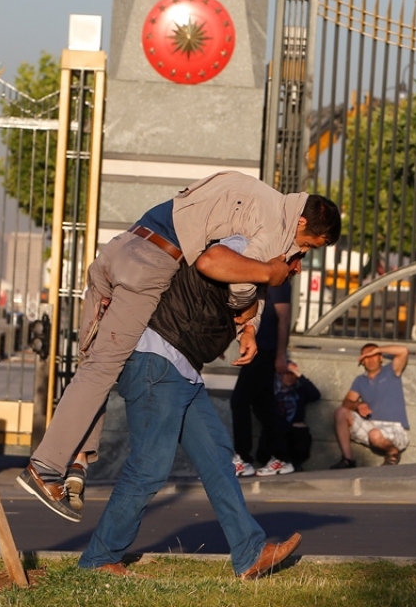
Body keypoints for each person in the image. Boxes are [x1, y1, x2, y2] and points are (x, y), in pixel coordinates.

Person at [18, 171, 341, 522]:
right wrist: (261, 290)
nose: (301, 251)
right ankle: (45, 467)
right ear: (302, 221)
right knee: (102, 369)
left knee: (92, 364)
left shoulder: (255, 190)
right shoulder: (276, 226)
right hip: (151, 263)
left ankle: (77, 459)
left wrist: (251, 317)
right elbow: (229, 276)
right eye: (308, 244)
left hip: (120, 247)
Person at [78, 241, 301, 579]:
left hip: (183, 369)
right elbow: (213, 261)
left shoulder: (255, 258)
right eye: (300, 257)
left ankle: (250, 553)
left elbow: (237, 303)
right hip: (158, 360)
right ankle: (99, 558)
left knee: (216, 458)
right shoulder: (244, 242)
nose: (296, 269)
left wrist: (249, 328)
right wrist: (268, 274)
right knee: (149, 467)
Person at [230, 280, 291, 477]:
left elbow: (284, 318)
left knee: (239, 402)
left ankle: (244, 458)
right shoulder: (257, 279)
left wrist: (280, 355)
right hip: (258, 349)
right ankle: (280, 456)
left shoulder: (278, 283)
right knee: (264, 407)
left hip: (266, 351)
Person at [331, 343, 410, 468]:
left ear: (381, 358)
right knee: (340, 413)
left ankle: (392, 452)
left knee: (375, 434)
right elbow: (346, 403)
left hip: (394, 428)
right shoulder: (360, 380)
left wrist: (377, 350)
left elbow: (403, 351)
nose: (370, 358)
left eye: (373, 355)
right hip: (370, 426)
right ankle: (348, 460)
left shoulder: (391, 370)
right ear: (362, 361)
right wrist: (357, 405)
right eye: (366, 356)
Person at [266, 360, 320, 472]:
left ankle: (293, 463)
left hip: (294, 433)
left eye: (292, 375)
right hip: (276, 431)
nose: (290, 377)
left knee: (300, 431)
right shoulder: (272, 391)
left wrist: (298, 374)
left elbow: (315, 395)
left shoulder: (299, 391)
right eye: (287, 374)